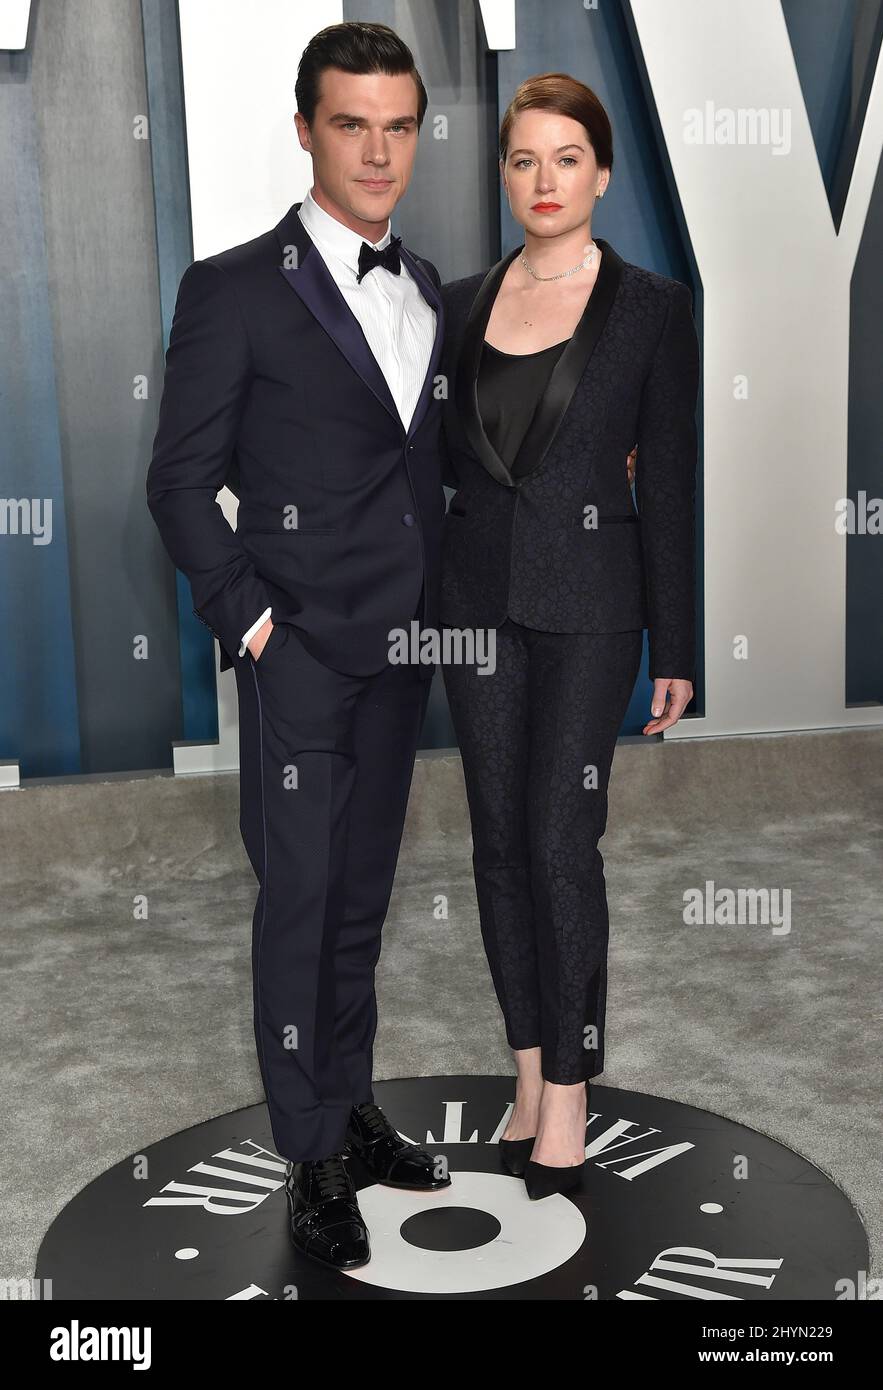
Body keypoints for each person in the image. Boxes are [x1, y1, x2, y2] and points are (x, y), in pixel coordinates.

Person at [146, 22, 451, 1271]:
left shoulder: (429, 284)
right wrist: (255, 623)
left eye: (398, 126)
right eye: (350, 124)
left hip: (404, 654)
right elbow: (176, 483)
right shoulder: (231, 288)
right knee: (301, 902)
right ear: (304, 127)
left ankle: (351, 1102)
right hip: (301, 656)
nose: (377, 152)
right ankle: (309, 1150)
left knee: (362, 899)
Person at [439, 73, 700, 1199]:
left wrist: (679, 645)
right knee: (495, 842)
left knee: (557, 837)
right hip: (474, 609)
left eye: (564, 159)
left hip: (594, 608)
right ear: (504, 176)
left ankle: (576, 1095)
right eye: (522, 160)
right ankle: (531, 1068)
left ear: (599, 172)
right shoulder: (458, 302)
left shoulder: (650, 306)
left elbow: (674, 484)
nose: (542, 181)